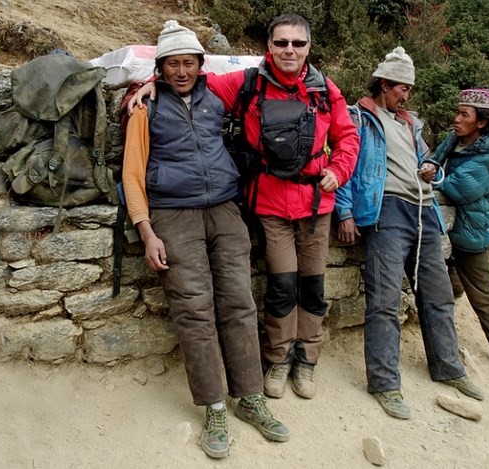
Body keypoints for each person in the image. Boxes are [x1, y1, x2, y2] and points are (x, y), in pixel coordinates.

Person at [129, 14, 360, 400]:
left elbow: (348, 135)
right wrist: (151, 83)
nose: (290, 50)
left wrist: (339, 169)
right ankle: (279, 359)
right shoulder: (247, 83)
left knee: (314, 287)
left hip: (316, 203)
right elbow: (190, 85)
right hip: (269, 202)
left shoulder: (324, 89)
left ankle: (307, 361)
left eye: (297, 44)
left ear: (308, 48)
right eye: (282, 43)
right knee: (282, 287)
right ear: (268, 47)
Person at [121, 20, 289, 460]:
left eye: (189, 63)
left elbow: (269, 70)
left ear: (200, 64)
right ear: (160, 68)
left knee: (239, 301)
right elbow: (132, 172)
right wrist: (146, 229)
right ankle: (215, 406)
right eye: (172, 64)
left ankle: (249, 397)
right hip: (172, 215)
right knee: (194, 309)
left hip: (224, 210)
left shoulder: (217, 96)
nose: (181, 72)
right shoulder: (146, 108)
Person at [334, 47, 484, 420]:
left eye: (409, 90)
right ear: (384, 84)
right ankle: (385, 383)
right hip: (387, 210)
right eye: (402, 88)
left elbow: (430, 164)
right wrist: (345, 211)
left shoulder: (410, 125)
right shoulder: (359, 118)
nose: (406, 96)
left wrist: (435, 171)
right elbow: (343, 163)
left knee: (437, 294)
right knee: (384, 300)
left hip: (425, 211)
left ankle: (448, 368)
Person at [432, 88, 489, 374]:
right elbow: (434, 160)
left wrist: (433, 178)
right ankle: (451, 295)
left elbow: (457, 188)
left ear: (481, 122)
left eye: (464, 114)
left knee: (482, 292)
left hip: (472, 232)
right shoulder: (459, 142)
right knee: (453, 276)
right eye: (457, 112)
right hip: (457, 229)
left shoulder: (487, 158)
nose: (456, 119)